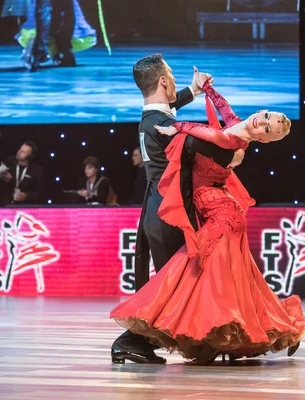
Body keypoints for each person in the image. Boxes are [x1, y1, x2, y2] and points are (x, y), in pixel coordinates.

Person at [110, 77, 305, 365]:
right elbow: (225, 110)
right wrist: (208, 89)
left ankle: (218, 336)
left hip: (221, 217)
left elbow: (205, 132)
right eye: (266, 116)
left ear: (266, 139)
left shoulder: (232, 140)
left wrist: (175, 127)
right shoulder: (239, 125)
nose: (261, 122)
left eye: (268, 128)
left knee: (200, 278)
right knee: (233, 283)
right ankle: (230, 336)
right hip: (219, 211)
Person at [110, 54, 245, 364]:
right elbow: (215, 145)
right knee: (178, 285)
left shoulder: (152, 119)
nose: (173, 79)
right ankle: (131, 339)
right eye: (170, 74)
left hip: (159, 213)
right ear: (162, 81)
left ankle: (206, 340)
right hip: (171, 216)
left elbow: (169, 110)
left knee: (177, 285)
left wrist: (194, 90)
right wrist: (239, 144)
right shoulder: (167, 126)